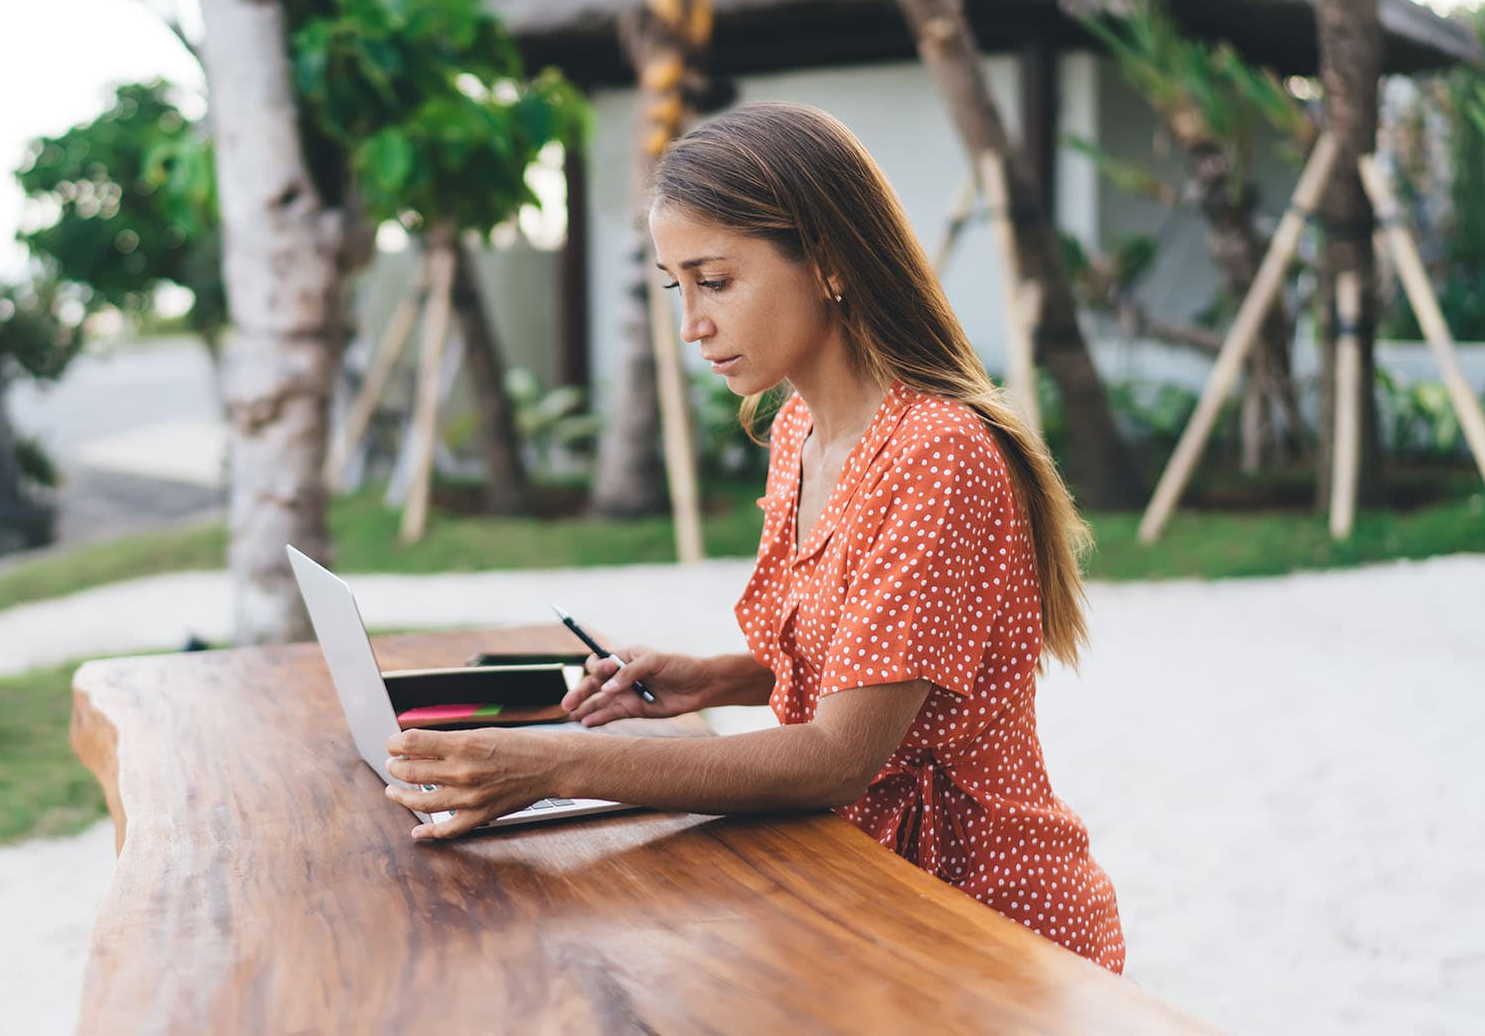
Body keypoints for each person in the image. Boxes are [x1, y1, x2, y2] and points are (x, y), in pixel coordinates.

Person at [384, 101, 1125, 972]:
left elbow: (838, 756)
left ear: (830, 262)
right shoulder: (796, 433)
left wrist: (555, 767)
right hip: (847, 884)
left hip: (976, 918)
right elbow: (874, 664)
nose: (692, 322)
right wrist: (712, 677)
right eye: (676, 286)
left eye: (717, 280)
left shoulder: (937, 455)